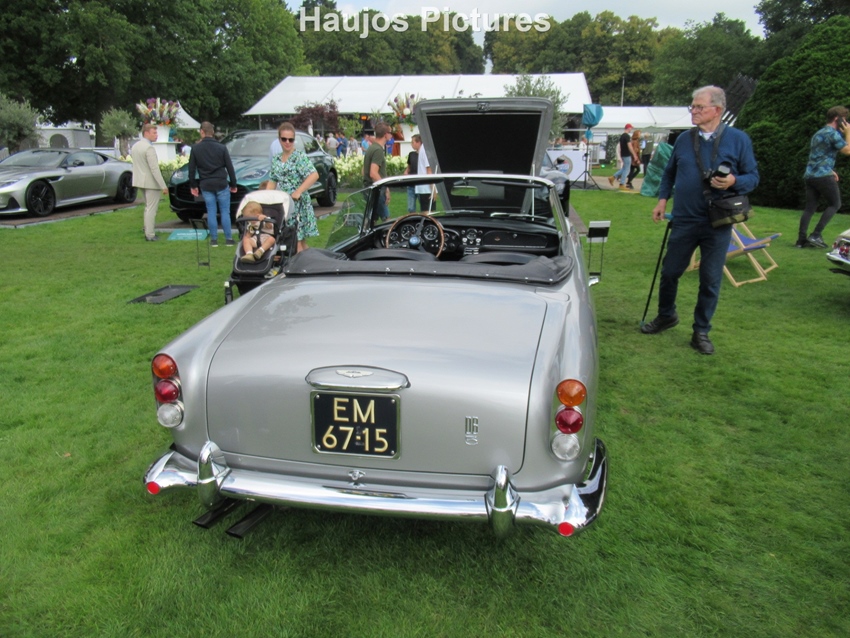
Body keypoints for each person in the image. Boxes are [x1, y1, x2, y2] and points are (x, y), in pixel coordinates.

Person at [641, 86, 759, 355]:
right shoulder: (684, 139)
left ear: (717, 110)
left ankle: (701, 331)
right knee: (670, 272)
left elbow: (753, 177)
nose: (693, 111)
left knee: (710, 279)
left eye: (699, 107)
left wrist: (734, 180)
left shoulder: (738, 139)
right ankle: (666, 315)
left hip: (717, 222)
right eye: (692, 106)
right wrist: (662, 200)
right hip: (684, 218)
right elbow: (669, 173)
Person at [797, 106, 850, 248]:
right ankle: (816, 235)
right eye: (844, 119)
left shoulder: (818, 133)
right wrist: (848, 133)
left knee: (810, 208)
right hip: (823, 176)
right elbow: (848, 150)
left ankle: (801, 241)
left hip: (810, 175)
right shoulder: (833, 134)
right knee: (835, 204)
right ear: (837, 118)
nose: (846, 122)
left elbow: (818, 155)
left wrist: (830, 170)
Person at [270, 121, 319, 253]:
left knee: (297, 241)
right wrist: (265, 198)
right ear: (279, 139)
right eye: (284, 139)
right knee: (296, 241)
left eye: (290, 140)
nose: (287, 142)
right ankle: (312, 262)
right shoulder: (276, 159)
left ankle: (303, 264)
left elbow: (314, 175)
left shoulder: (299, 157)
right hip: (285, 205)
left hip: (298, 205)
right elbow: (272, 180)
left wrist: (299, 191)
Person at [189, 121, 237, 247]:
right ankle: (228, 239)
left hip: (206, 183)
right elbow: (229, 167)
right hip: (221, 182)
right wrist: (233, 184)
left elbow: (191, 169)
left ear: (202, 132)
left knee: (211, 211)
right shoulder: (221, 147)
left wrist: (193, 185)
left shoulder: (195, 149)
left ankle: (214, 240)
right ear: (213, 132)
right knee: (225, 211)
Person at [130, 124, 168, 241]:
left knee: (148, 208)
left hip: (140, 180)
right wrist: (163, 185)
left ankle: (148, 231)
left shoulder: (135, 146)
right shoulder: (149, 148)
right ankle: (150, 234)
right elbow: (154, 169)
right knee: (151, 209)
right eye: (154, 133)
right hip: (151, 182)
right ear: (146, 133)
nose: (156, 135)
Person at [363, 122, 392, 222]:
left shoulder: (371, 148)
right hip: (377, 191)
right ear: (385, 134)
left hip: (369, 189)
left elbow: (363, 170)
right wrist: (386, 188)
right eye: (390, 133)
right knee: (387, 221)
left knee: (371, 221)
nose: (391, 135)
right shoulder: (378, 150)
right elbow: (373, 173)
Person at [608, 124, 634, 191]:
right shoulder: (627, 136)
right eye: (631, 128)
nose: (631, 129)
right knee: (627, 170)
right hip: (627, 154)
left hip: (623, 154)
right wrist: (634, 154)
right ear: (628, 128)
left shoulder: (622, 136)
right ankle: (622, 183)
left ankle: (613, 177)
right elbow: (629, 146)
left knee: (624, 168)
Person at [404, 134, 421, 213]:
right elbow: (409, 167)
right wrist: (406, 172)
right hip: (411, 184)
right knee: (411, 208)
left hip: (420, 184)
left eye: (412, 142)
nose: (411, 144)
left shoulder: (424, 155)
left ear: (418, 142)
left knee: (424, 206)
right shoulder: (411, 154)